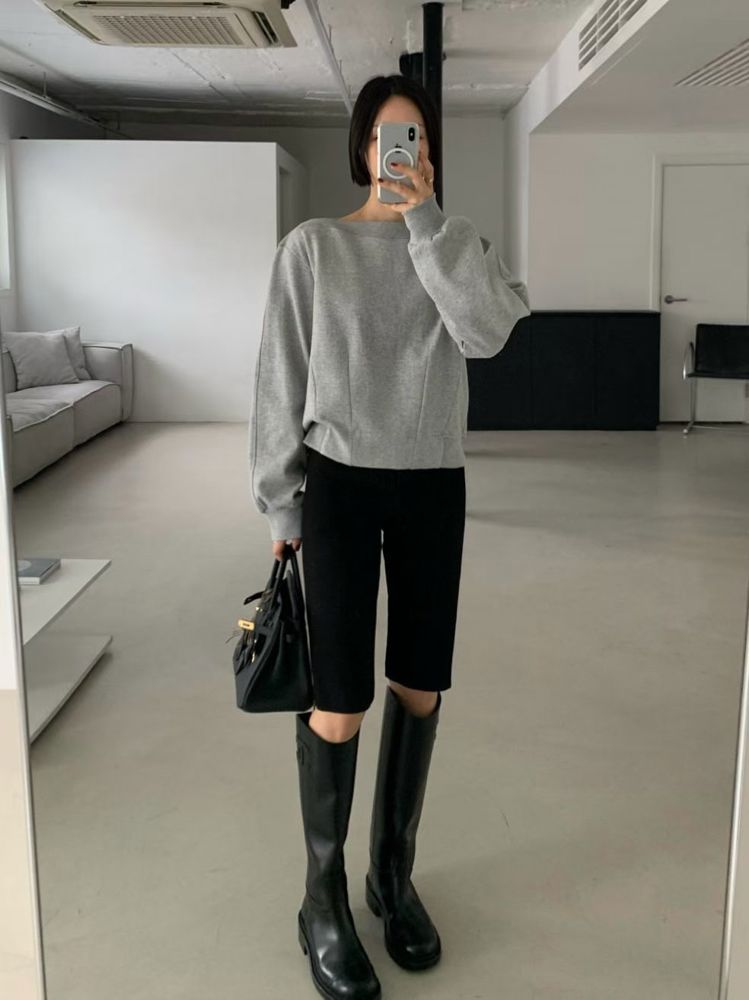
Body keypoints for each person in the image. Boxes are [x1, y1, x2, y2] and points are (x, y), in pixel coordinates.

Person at [248, 73, 530, 1000]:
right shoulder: (313, 247)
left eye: (414, 137)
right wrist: (280, 506)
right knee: (339, 699)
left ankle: (390, 877)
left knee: (419, 685)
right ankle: (322, 898)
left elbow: (487, 337)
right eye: (383, 136)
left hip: (431, 485)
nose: (397, 152)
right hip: (336, 486)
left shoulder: (456, 244)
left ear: (429, 155)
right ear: (362, 150)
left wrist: (427, 225)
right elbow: (279, 378)